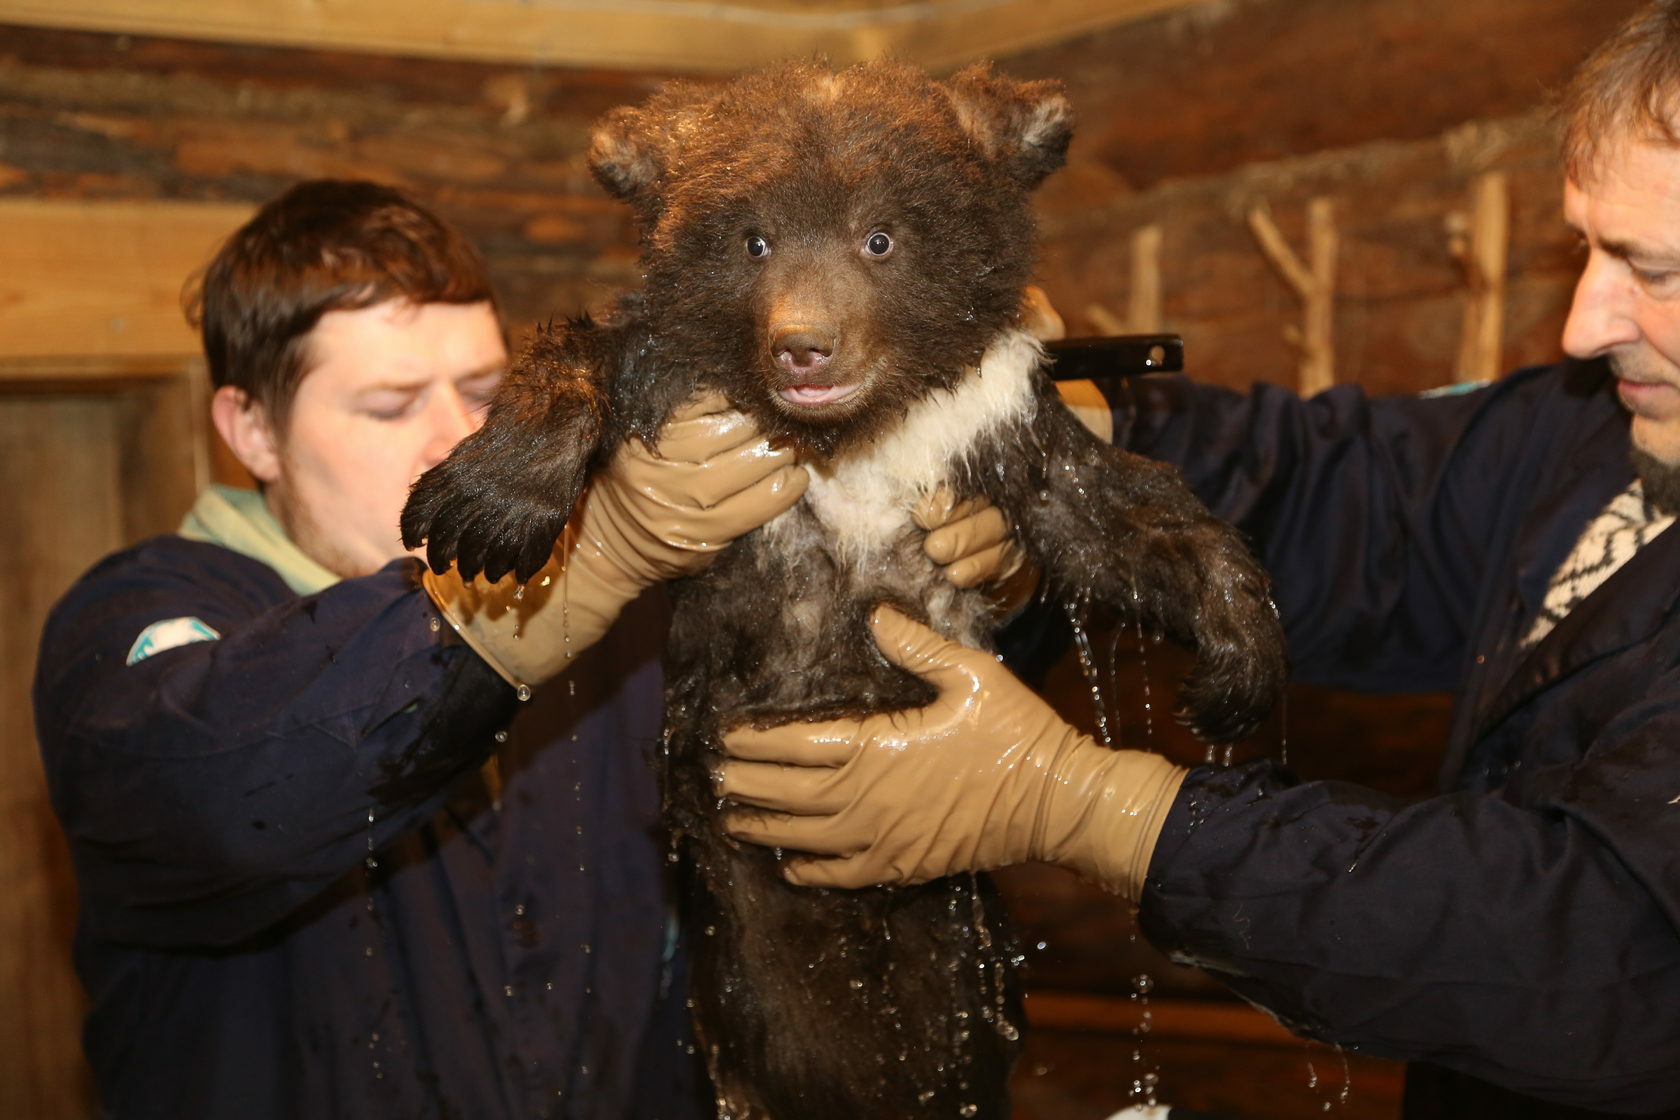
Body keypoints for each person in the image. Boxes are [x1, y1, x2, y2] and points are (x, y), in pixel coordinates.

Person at [713, 5, 1680, 1117]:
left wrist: (1095, 809)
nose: (1584, 322)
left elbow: (1601, 942)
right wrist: (1052, 423)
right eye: (1586, 248)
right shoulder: (1587, 433)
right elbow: (1344, 494)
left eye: (1649, 269)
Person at [31, 178, 1022, 1119]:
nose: (456, 439)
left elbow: (852, 718)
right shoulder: (143, 618)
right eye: (388, 405)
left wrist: (972, 570)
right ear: (250, 429)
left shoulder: (613, 625)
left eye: (480, 389)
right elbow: (221, 794)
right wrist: (581, 566)